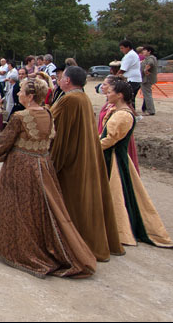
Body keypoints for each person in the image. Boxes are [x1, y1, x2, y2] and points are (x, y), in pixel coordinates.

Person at [0, 77, 96, 278]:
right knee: (43, 209)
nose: (18, 94)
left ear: (29, 96)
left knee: (20, 208)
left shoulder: (20, 116)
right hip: (43, 165)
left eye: (20, 91)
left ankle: (19, 249)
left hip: (21, 166)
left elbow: (3, 143)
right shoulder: (48, 113)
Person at [50, 66, 124, 261]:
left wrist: (52, 163)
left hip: (71, 162)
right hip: (80, 157)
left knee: (71, 205)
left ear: (67, 80)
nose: (59, 79)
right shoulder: (81, 98)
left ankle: (72, 246)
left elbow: (61, 135)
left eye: (61, 77)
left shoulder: (70, 101)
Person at [100, 80, 173, 248]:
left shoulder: (123, 115)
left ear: (119, 95)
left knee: (119, 193)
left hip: (114, 159)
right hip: (110, 156)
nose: (107, 93)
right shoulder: (117, 111)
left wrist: (92, 146)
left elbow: (110, 140)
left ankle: (120, 228)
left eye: (110, 91)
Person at [117, 40, 142, 111]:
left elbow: (123, 69)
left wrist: (115, 77)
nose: (121, 50)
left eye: (122, 48)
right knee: (130, 99)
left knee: (127, 99)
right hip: (135, 79)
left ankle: (132, 114)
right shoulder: (132, 54)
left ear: (127, 47)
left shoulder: (130, 55)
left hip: (131, 79)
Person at [140, 46, 158, 116]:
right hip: (145, 79)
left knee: (147, 95)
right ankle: (147, 109)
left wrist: (145, 70)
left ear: (149, 51)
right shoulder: (147, 58)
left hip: (147, 79)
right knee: (147, 95)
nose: (143, 52)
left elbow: (150, 63)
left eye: (144, 50)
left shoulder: (151, 58)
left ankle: (150, 110)